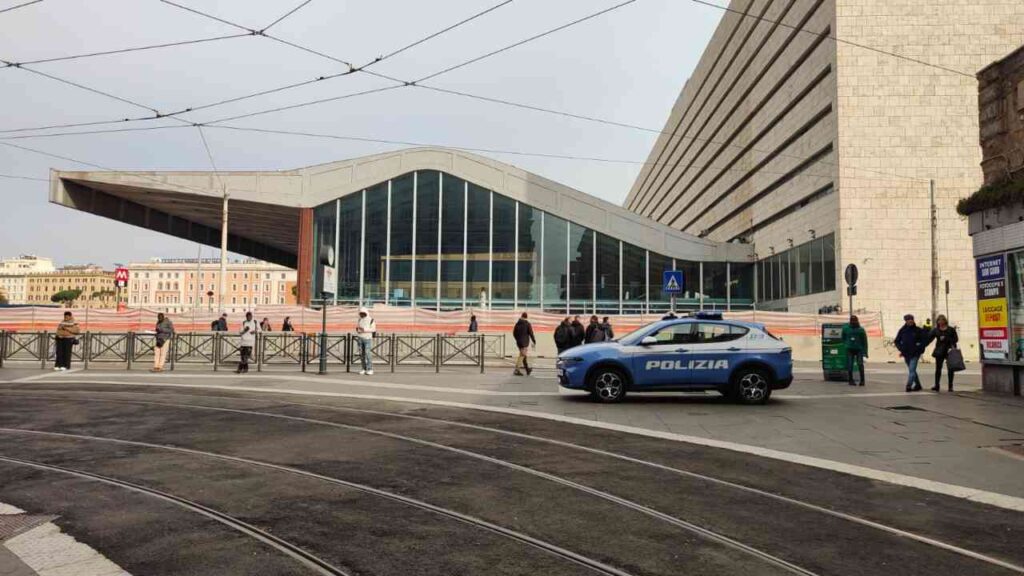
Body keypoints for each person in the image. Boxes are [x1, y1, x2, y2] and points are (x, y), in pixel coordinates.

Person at [926, 314, 959, 392]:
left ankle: (950, 386)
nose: (940, 322)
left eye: (942, 320)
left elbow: (956, 339)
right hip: (939, 351)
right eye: (939, 320)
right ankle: (937, 385)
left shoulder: (951, 329)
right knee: (938, 368)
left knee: (950, 369)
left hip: (949, 350)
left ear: (945, 321)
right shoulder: (936, 330)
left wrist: (946, 338)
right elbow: (929, 338)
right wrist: (922, 345)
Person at [894, 314, 925, 392]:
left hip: (915, 354)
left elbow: (923, 341)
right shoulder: (902, 330)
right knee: (912, 370)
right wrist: (901, 348)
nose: (910, 321)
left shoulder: (918, 330)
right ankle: (918, 385)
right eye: (908, 320)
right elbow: (897, 341)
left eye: (911, 319)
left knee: (912, 369)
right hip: (906, 354)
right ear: (906, 321)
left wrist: (919, 349)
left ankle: (908, 385)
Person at [841, 315, 868, 386]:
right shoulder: (846, 329)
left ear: (857, 321)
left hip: (859, 349)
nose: (853, 322)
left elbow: (864, 341)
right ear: (850, 321)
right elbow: (843, 337)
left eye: (854, 320)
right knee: (850, 365)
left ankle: (862, 381)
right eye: (852, 320)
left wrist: (865, 352)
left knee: (860, 364)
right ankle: (851, 380)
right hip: (850, 349)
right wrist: (846, 344)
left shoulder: (861, 329)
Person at [356, 307, 376, 375]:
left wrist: (364, 329)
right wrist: (358, 330)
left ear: (366, 313)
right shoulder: (359, 319)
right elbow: (358, 328)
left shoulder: (371, 320)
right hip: (360, 338)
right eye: (360, 313)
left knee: (368, 354)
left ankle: (370, 369)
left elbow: (373, 329)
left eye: (363, 313)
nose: (361, 315)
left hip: (367, 338)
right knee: (361, 354)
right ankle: (363, 368)